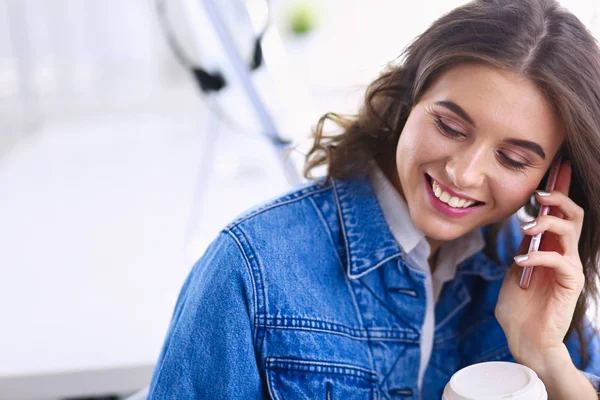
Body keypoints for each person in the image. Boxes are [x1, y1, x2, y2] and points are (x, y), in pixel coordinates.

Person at [147, 0, 600, 398]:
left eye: (513, 158)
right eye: (449, 127)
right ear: (408, 100)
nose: (463, 173)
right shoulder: (253, 268)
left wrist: (545, 357)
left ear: (554, 176)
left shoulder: (535, 278)